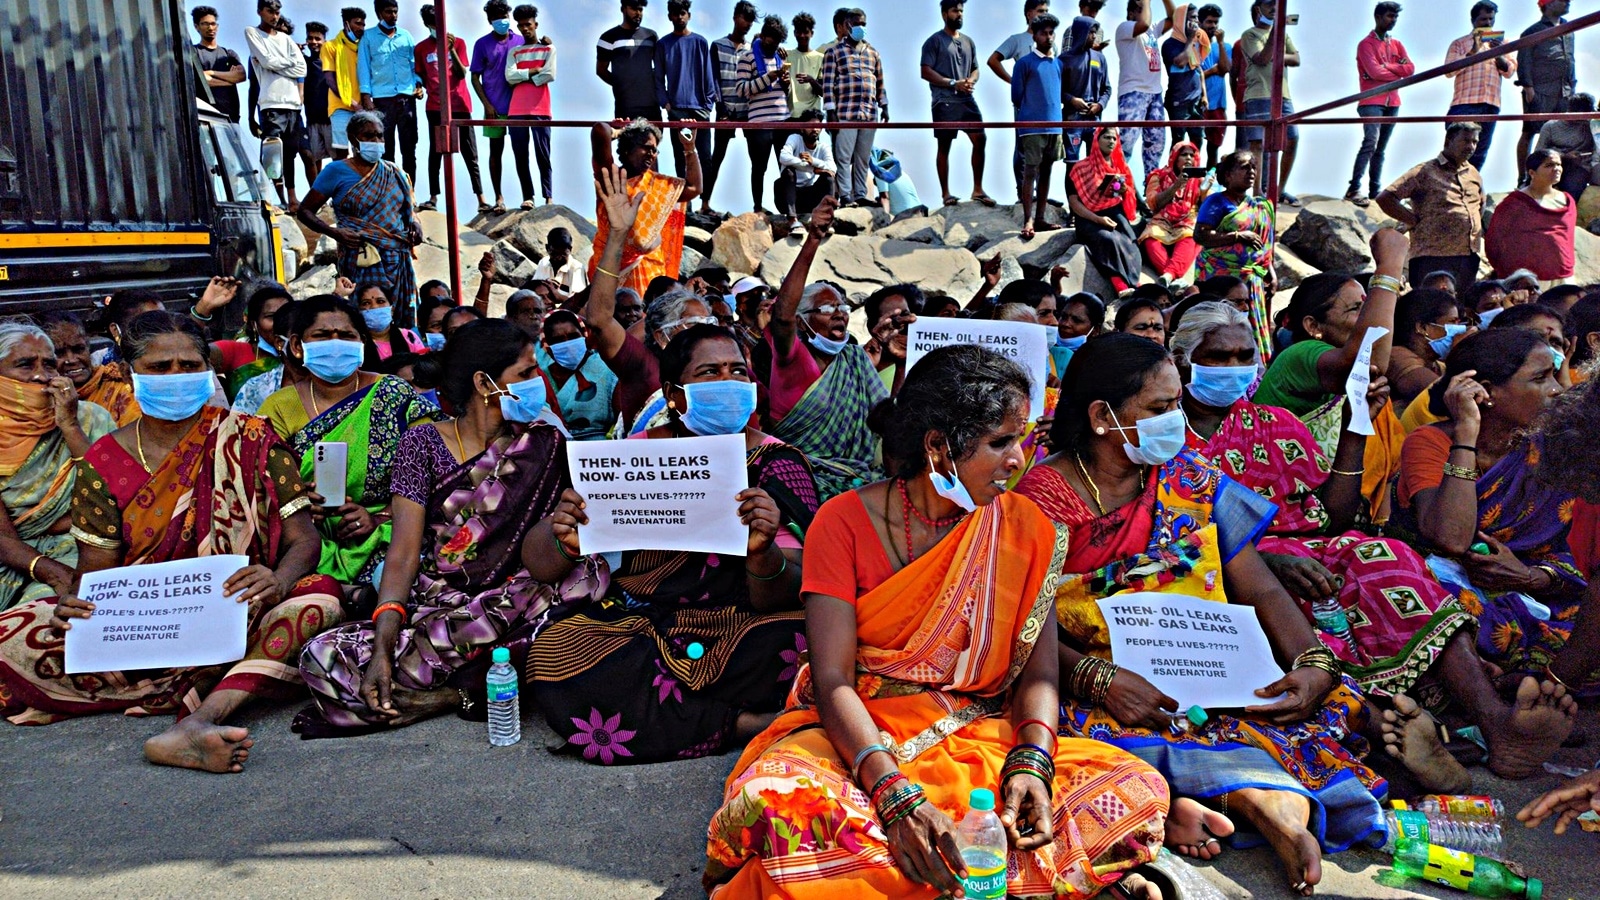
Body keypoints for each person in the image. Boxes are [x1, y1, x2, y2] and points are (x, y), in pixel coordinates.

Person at [704, 343, 1172, 899]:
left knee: (1134, 788)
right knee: (779, 802)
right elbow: (832, 682)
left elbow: (1038, 675)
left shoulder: (1026, 527)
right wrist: (895, 798)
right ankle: (1011, 879)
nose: (1019, 461)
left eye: (1020, 440)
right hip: (859, 734)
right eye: (1000, 443)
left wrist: (1032, 764)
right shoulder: (844, 521)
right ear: (938, 448)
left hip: (977, 730)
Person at [1016, 333, 1384, 896]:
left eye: (1177, 405)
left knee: (1325, 705)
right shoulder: (1042, 499)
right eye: (1160, 410)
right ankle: (1262, 806)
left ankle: (1258, 806)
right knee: (1097, 736)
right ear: (1101, 416)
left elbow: (1257, 585)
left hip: (1207, 659)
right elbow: (1024, 624)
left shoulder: (1188, 478)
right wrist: (1099, 678)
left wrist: (1312, 663)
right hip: (1096, 673)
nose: (1176, 421)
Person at [1174, 304, 1569, 785]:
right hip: (1223, 562)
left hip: (1314, 547)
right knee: (1305, 599)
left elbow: (1332, 516)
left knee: (1386, 557)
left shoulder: (1274, 424)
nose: (1234, 368)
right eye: (1218, 356)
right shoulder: (1161, 433)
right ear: (1181, 359)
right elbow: (1161, 530)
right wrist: (1266, 562)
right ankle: (1399, 730)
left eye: (1244, 355)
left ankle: (1495, 723)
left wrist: (1356, 424)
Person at [0, 311, 342, 770]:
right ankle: (218, 678)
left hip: (240, 612)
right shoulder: (102, 461)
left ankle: (201, 719)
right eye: (160, 368)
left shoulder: (251, 437)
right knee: (16, 633)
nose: (177, 377)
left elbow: (304, 539)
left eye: (189, 366)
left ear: (210, 372)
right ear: (128, 373)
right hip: (146, 626)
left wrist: (278, 580)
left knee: (318, 601)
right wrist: (85, 622)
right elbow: (98, 570)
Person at [525, 324, 818, 764]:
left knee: (805, 636)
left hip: (741, 622)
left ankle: (681, 716)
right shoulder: (633, 454)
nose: (729, 383)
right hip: (643, 621)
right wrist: (565, 537)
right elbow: (540, 565)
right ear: (674, 395)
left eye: (738, 371)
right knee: (552, 654)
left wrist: (762, 553)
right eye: (710, 372)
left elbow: (787, 588)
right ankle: (745, 724)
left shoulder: (777, 463)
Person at [296, 318, 584, 733]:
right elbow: (404, 552)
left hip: (524, 593)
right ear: (485, 384)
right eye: (525, 373)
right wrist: (382, 646)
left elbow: (553, 544)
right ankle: (476, 678)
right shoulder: (422, 443)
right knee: (322, 657)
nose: (537, 381)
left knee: (582, 595)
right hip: (444, 600)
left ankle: (446, 694)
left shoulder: (544, 442)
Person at [1393, 330, 1586, 703]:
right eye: (1540, 378)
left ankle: (1515, 683)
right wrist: (1466, 434)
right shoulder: (1430, 442)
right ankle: (1504, 690)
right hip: (1457, 589)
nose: (1557, 390)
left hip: (1539, 589)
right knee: (1442, 616)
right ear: (1487, 392)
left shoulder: (1551, 446)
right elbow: (1451, 538)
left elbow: (1579, 547)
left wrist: (1531, 576)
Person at [258, 294, 435, 587]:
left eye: (346, 335)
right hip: (307, 540)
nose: (335, 343)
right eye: (322, 335)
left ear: (361, 344)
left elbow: (432, 467)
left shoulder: (392, 393)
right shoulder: (278, 406)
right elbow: (260, 482)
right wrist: (297, 502)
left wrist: (380, 517)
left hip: (392, 532)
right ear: (297, 346)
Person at [1253, 239, 1411, 526]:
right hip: (1276, 516)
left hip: (1335, 513)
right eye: (1356, 310)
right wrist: (1388, 269)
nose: (1370, 317)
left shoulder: (1334, 377)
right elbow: (1368, 361)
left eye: (1370, 306)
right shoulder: (1298, 355)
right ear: (1313, 326)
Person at [760, 198, 886, 498]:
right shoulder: (794, 361)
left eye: (843, 306)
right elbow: (782, 316)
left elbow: (886, 417)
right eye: (827, 307)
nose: (840, 313)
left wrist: (902, 359)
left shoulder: (854, 359)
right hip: (802, 486)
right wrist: (814, 239)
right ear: (803, 322)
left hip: (858, 482)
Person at [586, 165, 712, 431]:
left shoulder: (717, 368)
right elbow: (598, 319)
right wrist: (618, 235)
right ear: (660, 334)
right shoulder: (643, 365)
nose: (701, 331)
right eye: (690, 323)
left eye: (706, 322)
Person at [0, 320, 115, 611]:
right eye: (25, 365)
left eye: (49, 366)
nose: (41, 376)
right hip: (11, 554)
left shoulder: (90, 419)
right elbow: (4, 537)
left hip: (80, 546)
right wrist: (51, 570)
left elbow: (111, 497)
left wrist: (69, 425)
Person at [297, 111, 424, 329]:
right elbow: (305, 211)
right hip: (361, 259)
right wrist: (334, 232)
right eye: (368, 136)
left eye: (379, 136)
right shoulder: (335, 171)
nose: (375, 141)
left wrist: (416, 225)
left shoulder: (394, 172)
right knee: (362, 319)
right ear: (353, 138)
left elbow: (409, 211)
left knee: (402, 323)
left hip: (398, 261)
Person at [588, 119, 700, 302]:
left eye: (655, 150)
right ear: (626, 149)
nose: (652, 154)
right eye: (646, 148)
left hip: (652, 273)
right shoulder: (611, 178)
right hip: (612, 270)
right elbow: (599, 130)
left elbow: (694, 189)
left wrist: (689, 148)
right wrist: (619, 132)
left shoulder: (658, 184)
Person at [1376, 123, 1486, 291]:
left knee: (1462, 309)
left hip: (1467, 256)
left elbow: (1480, 204)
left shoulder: (1473, 173)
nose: (1471, 147)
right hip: (1431, 256)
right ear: (1448, 140)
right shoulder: (1424, 171)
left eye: (1474, 142)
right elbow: (1386, 198)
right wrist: (1412, 220)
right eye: (1466, 141)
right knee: (1429, 308)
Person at [1192, 151, 1277, 358]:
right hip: (1220, 278)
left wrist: (1270, 271)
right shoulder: (1216, 202)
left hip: (1252, 280)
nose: (1251, 171)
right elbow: (1200, 236)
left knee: (1250, 331)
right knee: (1219, 328)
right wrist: (1237, 236)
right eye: (1244, 167)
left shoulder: (1259, 206)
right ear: (1228, 175)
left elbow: (1263, 244)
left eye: (1254, 167)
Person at [415, 4, 487, 214]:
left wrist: (451, 50)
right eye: (432, 23)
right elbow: (420, 74)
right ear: (427, 24)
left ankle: (481, 198)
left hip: (459, 104)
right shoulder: (421, 48)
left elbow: (462, 72)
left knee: (469, 151)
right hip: (435, 106)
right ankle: (433, 197)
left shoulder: (459, 43)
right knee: (436, 150)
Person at [922, 1, 991, 209]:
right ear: (945, 14)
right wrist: (952, 82)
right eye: (955, 11)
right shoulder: (934, 41)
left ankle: (977, 189)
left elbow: (976, 69)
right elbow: (925, 71)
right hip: (944, 100)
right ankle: (946, 194)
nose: (959, 14)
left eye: (961, 11)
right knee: (944, 146)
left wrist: (971, 80)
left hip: (966, 99)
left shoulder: (969, 41)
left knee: (980, 139)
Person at [1346, 2, 1411, 207]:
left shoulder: (1397, 44)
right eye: (1390, 16)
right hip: (1371, 100)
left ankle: (1375, 190)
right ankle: (1354, 188)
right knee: (1370, 142)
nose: (1393, 20)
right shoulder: (1365, 44)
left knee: (1380, 148)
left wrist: (1387, 67)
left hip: (1392, 101)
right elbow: (1374, 72)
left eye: (1395, 17)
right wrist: (1395, 71)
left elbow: (1410, 68)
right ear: (1378, 17)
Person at [821, 9, 888, 208]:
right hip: (845, 112)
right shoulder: (834, 52)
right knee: (843, 157)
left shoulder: (873, 52)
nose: (860, 27)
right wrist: (830, 112)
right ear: (848, 25)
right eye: (857, 23)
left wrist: (884, 105)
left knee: (863, 158)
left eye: (863, 24)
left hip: (869, 112)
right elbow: (827, 84)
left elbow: (880, 82)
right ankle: (846, 195)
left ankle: (860, 193)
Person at [989, 0, 1055, 198]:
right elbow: (993, 60)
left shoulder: (1051, 41)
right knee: (1023, 147)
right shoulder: (1018, 40)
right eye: (1040, 11)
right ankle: (1023, 192)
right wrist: (1013, 81)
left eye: (1046, 11)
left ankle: (1040, 193)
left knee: (1045, 150)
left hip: (1046, 106)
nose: (1044, 15)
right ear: (1028, 14)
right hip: (1025, 103)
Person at [246, 0, 307, 211]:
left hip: (292, 104)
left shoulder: (286, 39)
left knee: (291, 153)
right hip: (271, 102)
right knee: (272, 153)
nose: (274, 16)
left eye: (277, 12)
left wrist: (279, 64)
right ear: (260, 11)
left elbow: (302, 68)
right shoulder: (252, 33)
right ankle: (268, 197)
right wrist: (285, 63)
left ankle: (291, 198)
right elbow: (266, 62)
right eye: (270, 11)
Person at [1066, 129, 1142, 297]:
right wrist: (1098, 220)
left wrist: (1124, 191)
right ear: (1096, 140)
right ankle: (1121, 285)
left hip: (1115, 213)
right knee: (1108, 240)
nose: (1111, 141)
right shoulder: (1080, 168)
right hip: (1088, 218)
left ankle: (1136, 283)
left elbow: (1127, 195)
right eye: (1106, 137)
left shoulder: (1119, 166)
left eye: (1114, 138)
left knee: (1130, 241)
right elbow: (1074, 202)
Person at [1240, 0, 1301, 205]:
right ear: (1259, 10)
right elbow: (1262, 58)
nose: (1274, 8)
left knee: (1292, 139)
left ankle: (1279, 189)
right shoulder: (1250, 35)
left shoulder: (1282, 33)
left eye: (1277, 5)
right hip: (1259, 94)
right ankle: (1257, 191)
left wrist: (1277, 48)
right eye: (1269, 5)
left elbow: (1297, 59)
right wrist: (1276, 32)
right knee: (1258, 144)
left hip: (1282, 94)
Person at [357, 0, 422, 189]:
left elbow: (413, 67)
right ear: (379, 14)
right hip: (382, 100)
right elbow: (364, 68)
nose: (393, 15)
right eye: (388, 12)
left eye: (395, 11)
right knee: (385, 148)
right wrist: (366, 97)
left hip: (406, 98)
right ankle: (389, 191)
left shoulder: (406, 36)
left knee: (409, 147)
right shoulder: (368, 38)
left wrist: (418, 84)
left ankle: (410, 191)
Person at [1445, 2, 1517, 173]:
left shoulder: (1503, 42)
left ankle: (1470, 189)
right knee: (1455, 149)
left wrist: (1498, 54)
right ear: (1473, 20)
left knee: (1479, 152)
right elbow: (1448, 71)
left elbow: (1510, 72)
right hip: (1464, 104)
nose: (1488, 23)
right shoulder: (1460, 43)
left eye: (1491, 19)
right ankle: (1446, 187)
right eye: (1483, 19)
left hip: (1490, 104)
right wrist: (1473, 51)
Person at [1487, 149, 1577, 286]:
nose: (1556, 169)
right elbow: (1494, 240)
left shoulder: (1567, 201)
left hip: (1564, 277)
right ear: (1532, 173)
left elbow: (1568, 239)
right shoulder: (1514, 203)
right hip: (1529, 281)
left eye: (1558, 164)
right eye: (1549, 165)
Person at [1012, 14, 1065, 241]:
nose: (1048, 37)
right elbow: (1016, 96)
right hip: (1032, 126)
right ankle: (1028, 219)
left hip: (1055, 126)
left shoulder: (1058, 63)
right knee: (1030, 172)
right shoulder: (1025, 63)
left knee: (1047, 171)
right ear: (1034, 35)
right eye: (1043, 32)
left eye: (1051, 32)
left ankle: (1041, 217)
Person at [38, 313, 141, 428]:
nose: (72, 360)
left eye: (79, 349)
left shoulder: (123, 390)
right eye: (59, 353)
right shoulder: (37, 397)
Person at [656, 0, 719, 181]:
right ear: (670, 16)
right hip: (677, 111)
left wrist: (708, 106)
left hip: (700, 109)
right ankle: (686, 205)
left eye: (683, 12)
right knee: (680, 158)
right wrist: (667, 105)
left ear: (689, 15)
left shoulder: (700, 42)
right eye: (676, 13)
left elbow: (709, 77)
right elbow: (658, 79)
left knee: (706, 158)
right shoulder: (663, 44)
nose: (680, 17)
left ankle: (704, 205)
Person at [735, 15, 792, 216]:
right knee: (759, 168)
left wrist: (785, 83)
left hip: (782, 120)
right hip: (758, 123)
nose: (773, 45)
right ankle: (758, 208)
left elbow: (786, 92)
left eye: (777, 41)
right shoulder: (747, 58)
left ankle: (789, 211)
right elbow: (741, 90)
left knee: (787, 167)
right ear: (763, 35)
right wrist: (768, 77)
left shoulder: (781, 57)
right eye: (771, 40)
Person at [1515, 0, 1577, 185]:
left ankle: (1553, 178)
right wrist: (1528, 88)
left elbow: (1570, 59)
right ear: (1548, 4)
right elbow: (1524, 59)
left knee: (1559, 135)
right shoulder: (1532, 31)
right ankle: (1524, 177)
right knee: (1530, 131)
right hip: (1539, 90)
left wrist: (1572, 86)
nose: (1568, 2)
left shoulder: (1569, 28)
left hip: (1564, 91)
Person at [470, 1, 523, 214]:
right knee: (495, 152)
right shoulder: (482, 44)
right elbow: (474, 77)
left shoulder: (519, 41)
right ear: (490, 20)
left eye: (504, 14)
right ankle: (498, 197)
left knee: (521, 152)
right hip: (494, 106)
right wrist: (486, 104)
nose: (502, 19)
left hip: (518, 107)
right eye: (497, 16)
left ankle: (527, 196)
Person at [1113, 0, 1175, 184]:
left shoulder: (1152, 32)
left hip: (1154, 94)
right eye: (1140, 9)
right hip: (1133, 92)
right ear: (1131, 13)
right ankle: (1116, 185)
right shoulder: (1125, 28)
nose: (1146, 11)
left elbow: (1173, 18)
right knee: (1126, 143)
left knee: (1155, 144)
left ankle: (1151, 189)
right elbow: (1145, 23)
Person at [704, 2, 755, 216]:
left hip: (747, 110)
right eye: (745, 19)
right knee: (717, 158)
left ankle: (758, 207)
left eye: (750, 21)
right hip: (725, 109)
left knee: (757, 158)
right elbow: (713, 78)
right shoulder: (717, 45)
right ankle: (705, 203)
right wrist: (720, 106)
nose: (747, 24)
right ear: (735, 17)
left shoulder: (752, 48)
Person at [504, 5, 556, 210]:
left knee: (543, 153)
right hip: (516, 109)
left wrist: (523, 77)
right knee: (520, 155)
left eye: (528, 24)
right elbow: (509, 77)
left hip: (541, 108)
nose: (525, 29)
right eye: (521, 25)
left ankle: (548, 196)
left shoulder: (548, 48)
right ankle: (528, 196)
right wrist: (533, 71)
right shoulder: (515, 52)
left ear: (536, 24)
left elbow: (550, 74)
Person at [538, 311, 617, 441]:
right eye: (558, 340)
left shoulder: (606, 368)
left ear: (584, 335)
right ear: (547, 345)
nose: (567, 344)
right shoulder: (541, 378)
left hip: (600, 448)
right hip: (554, 447)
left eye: (573, 336)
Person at [1388, 288, 1470, 410]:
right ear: (1422, 327)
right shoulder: (1396, 356)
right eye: (1452, 322)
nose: (1458, 330)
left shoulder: (1437, 365)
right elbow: (1443, 396)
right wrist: (1459, 355)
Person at [1141, 140, 1208, 288]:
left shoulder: (1199, 179)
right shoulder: (1158, 176)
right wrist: (1175, 186)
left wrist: (1205, 189)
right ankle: (1173, 277)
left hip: (1187, 220)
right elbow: (1153, 204)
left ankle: (1168, 276)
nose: (1189, 158)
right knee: (1150, 239)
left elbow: (1207, 206)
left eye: (1192, 155)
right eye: (1184, 155)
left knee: (1191, 238)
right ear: (1175, 157)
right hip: (1162, 220)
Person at [225, 284, 292, 399]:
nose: (281, 323)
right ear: (253, 324)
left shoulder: (308, 355)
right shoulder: (237, 350)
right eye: (271, 317)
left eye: (286, 315)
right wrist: (203, 309)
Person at [599, 0, 661, 122]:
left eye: (641, 9)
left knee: (652, 140)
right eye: (634, 9)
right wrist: (621, 84)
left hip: (651, 104)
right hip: (625, 106)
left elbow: (660, 66)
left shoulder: (651, 36)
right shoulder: (609, 37)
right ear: (623, 9)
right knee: (627, 140)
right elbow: (601, 70)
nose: (638, 13)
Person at [1061, 16, 1112, 164]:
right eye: (1091, 32)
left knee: (1095, 163)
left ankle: (1093, 189)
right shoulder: (1064, 59)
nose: (1094, 36)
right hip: (1072, 119)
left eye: (1095, 32)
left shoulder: (1100, 59)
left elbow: (1107, 89)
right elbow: (1056, 91)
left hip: (1094, 119)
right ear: (1081, 33)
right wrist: (1072, 100)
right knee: (1072, 164)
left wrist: (1099, 105)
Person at [1162, 4, 1209, 152]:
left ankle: (1195, 173)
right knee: (1178, 142)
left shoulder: (1195, 43)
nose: (1197, 22)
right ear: (1182, 20)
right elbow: (1181, 61)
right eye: (1193, 18)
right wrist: (1189, 39)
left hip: (1195, 100)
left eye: (1197, 18)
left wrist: (1204, 95)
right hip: (1178, 101)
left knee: (1198, 139)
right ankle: (1173, 173)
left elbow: (1198, 69)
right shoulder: (1170, 44)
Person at [321, 7, 366, 160]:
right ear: (347, 24)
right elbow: (330, 80)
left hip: (362, 106)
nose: (361, 28)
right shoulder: (330, 47)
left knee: (363, 150)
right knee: (341, 151)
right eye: (357, 24)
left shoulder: (363, 47)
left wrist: (363, 104)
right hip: (340, 106)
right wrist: (350, 102)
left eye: (363, 25)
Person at [776, 111, 835, 226]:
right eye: (810, 126)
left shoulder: (823, 147)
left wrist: (814, 161)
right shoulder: (794, 138)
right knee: (788, 172)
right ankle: (793, 220)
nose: (815, 129)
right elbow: (783, 157)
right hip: (788, 197)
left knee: (829, 178)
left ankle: (827, 222)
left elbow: (833, 168)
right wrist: (811, 169)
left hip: (810, 197)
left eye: (818, 126)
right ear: (802, 129)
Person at [192, 6, 246, 124]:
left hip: (231, 118)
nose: (210, 27)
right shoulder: (193, 53)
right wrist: (230, 80)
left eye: (213, 23)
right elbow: (199, 81)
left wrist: (211, 73)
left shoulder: (228, 54)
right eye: (205, 24)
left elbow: (241, 76)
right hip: (205, 118)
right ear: (197, 27)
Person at [1534, 94, 1596, 196]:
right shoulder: (1551, 126)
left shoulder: (1590, 126)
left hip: (1579, 168)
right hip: (1553, 164)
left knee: (1572, 188)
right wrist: (1564, 156)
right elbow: (1538, 153)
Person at [354, 283, 428, 362]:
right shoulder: (356, 342)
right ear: (359, 311)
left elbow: (422, 369)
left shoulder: (409, 337)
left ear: (391, 310)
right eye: (366, 303)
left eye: (380, 301)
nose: (374, 307)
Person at [1197, 4, 1228, 168]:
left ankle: (1210, 183)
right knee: (1195, 147)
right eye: (1209, 22)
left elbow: (1225, 68)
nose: (1213, 26)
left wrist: (1221, 43)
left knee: (1213, 148)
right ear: (1200, 23)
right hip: (1197, 103)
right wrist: (1211, 71)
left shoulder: (1223, 47)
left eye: (1215, 22)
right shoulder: (1194, 46)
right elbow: (1192, 74)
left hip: (1217, 105)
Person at [529, 227, 588, 300]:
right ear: (547, 248)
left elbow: (578, 301)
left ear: (570, 250)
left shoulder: (577, 268)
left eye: (563, 254)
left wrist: (557, 295)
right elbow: (534, 290)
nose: (559, 258)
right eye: (555, 254)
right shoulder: (543, 262)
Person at [787, 12, 825, 125]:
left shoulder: (820, 58)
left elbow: (823, 92)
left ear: (812, 33)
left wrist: (811, 80)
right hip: (791, 115)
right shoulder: (787, 55)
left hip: (812, 116)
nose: (802, 35)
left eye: (806, 32)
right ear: (794, 33)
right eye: (799, 32)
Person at [868, 147, 926, 219]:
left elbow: (884, 197)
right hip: (920, 210)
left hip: (906, 214)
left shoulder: (881, 171)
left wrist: (886, 220)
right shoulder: (900, 172)